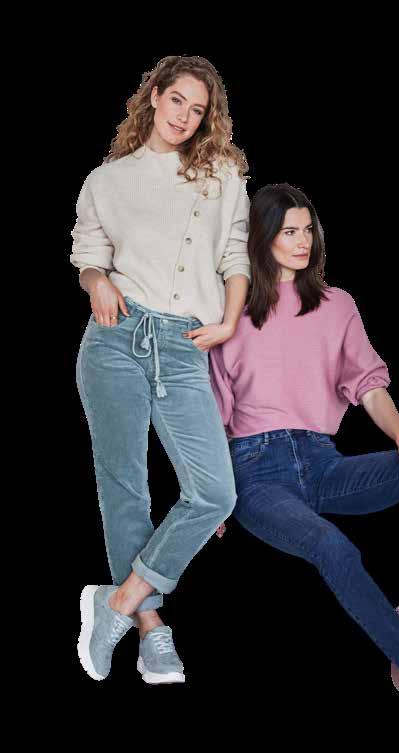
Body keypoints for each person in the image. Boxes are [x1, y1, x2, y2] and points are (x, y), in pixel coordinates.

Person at [208, 183, 399, 734]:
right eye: (288, 232)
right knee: (331, 546)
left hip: (322, 462)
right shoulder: (230, 309)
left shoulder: (336, 305)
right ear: (262, 237)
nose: (303, 242)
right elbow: (211, 412)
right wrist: (211, 493)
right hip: (254, 471)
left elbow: (367, 383)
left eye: (308, 230)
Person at [72, 55, 252, 684]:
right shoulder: (107, 180)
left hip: (183, 345)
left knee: (215, 492)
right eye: (177, 101)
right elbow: (88, 254)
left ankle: (118, 601)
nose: (184, 117)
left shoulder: (222, 175)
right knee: (125, 485)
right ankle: (151, 628)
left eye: (197, 109)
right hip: (116, 338)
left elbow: (235, 255)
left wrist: (229, 322)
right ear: (153, 96)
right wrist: (95, 281)